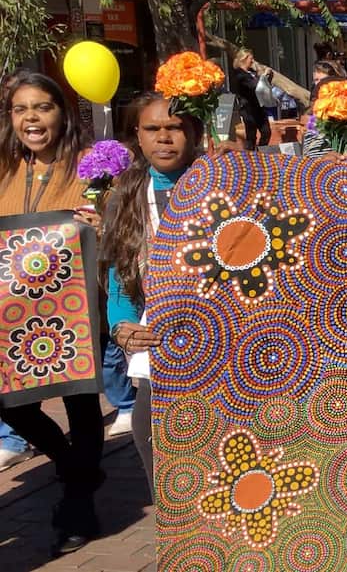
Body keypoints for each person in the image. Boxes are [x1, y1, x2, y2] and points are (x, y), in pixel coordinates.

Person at [0, 72, 104, 555]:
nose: (31, 119)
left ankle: (79, 502)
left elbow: (123, 225)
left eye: (41, 107)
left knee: (81, 402)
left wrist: (102, 222)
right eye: (21, 110)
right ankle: (67, 461)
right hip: (13, 314)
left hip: (76, 309)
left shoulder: (92, 166)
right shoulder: (2, 166)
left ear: (61, 113)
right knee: (10, 402)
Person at [100, 94, 205, 501]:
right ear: (137, 139)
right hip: (162, 342)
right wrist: (121, 325)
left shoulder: (222, 180)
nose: (164, 138)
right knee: (151, 438)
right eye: (152, 129)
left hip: (226, 337)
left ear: (193, 133)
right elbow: (119, 272)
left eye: (175, 127)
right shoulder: (127, 196)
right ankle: (178, 537)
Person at [229, 49, 272, 151]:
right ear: (243, 59)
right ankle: (250, 156)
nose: (252, 61)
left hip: (259, 106)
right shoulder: (239, 75)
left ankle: (261, 153)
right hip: (248, 109)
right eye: (250, 59)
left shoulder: (251, 72)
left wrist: (266, 76)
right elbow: (254, 85)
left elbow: (263, 86)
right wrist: (263, 76)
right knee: (251, 135)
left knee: (266, 131)